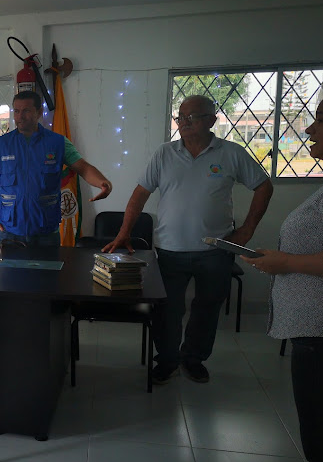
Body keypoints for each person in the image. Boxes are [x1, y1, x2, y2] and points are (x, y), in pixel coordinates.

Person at [104, 94, 273, 384]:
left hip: (215, 251)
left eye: (190, 117)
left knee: (207, 308)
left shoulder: (230, 153)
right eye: (180, 117)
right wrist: (124, 231)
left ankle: (193, 359)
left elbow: (264, 186)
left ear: (211, 121)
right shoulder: (165, 153)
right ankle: (167, 360)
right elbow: (140, 193)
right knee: (167, 310)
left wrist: (246, 231)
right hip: (170, 250)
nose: (183, 122)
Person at [243, 90, 323, 462]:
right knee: (321, 436)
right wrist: (281, 261)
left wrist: (286, 263)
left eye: (322, 120)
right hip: (315, 331)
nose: (310, 128)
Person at [0, 90, 112, 246]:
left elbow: (84, 168)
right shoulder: (1, 145)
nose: (20, 116)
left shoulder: (57, 143)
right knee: (8, 264)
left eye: (26, 111)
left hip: (46, 233)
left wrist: (102, 182)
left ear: (39, 112)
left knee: (50, 264)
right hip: (10, 231)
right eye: (17, 111)